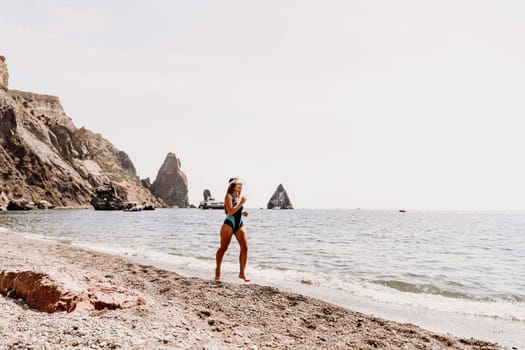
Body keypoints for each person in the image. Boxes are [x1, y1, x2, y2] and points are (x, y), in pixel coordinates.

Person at [215, 177, 250, 282]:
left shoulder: (238, 196)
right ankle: (217, 269)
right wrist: (241, 203)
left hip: (239, 224)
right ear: (233, 186)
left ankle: (242, 273)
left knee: (245, 247)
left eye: (241, 184)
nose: (240, 186)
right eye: (238, 184)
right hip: (229, 224)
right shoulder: (228, 196)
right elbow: (230, 212)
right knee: (223, 248)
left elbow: (237, 210)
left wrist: (243, 212)